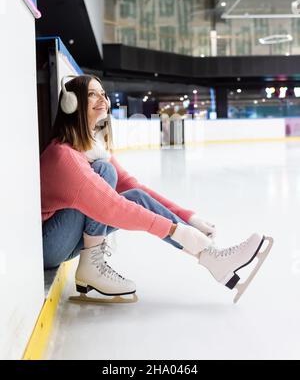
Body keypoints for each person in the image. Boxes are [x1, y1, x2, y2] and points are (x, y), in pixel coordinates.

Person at [41, 74, 273, 303]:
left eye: (103, 93)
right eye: (92, 94)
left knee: (129, 189)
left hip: (65, 238)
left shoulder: (91, 149)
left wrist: (188, 219)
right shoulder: (64, 156)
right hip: (48, 245)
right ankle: (92, 265)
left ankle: (213, 258)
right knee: (106, 173)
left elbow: (134, 188)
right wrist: (175, 231)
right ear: (72, 104)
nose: (102, 99)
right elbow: (112, 207)